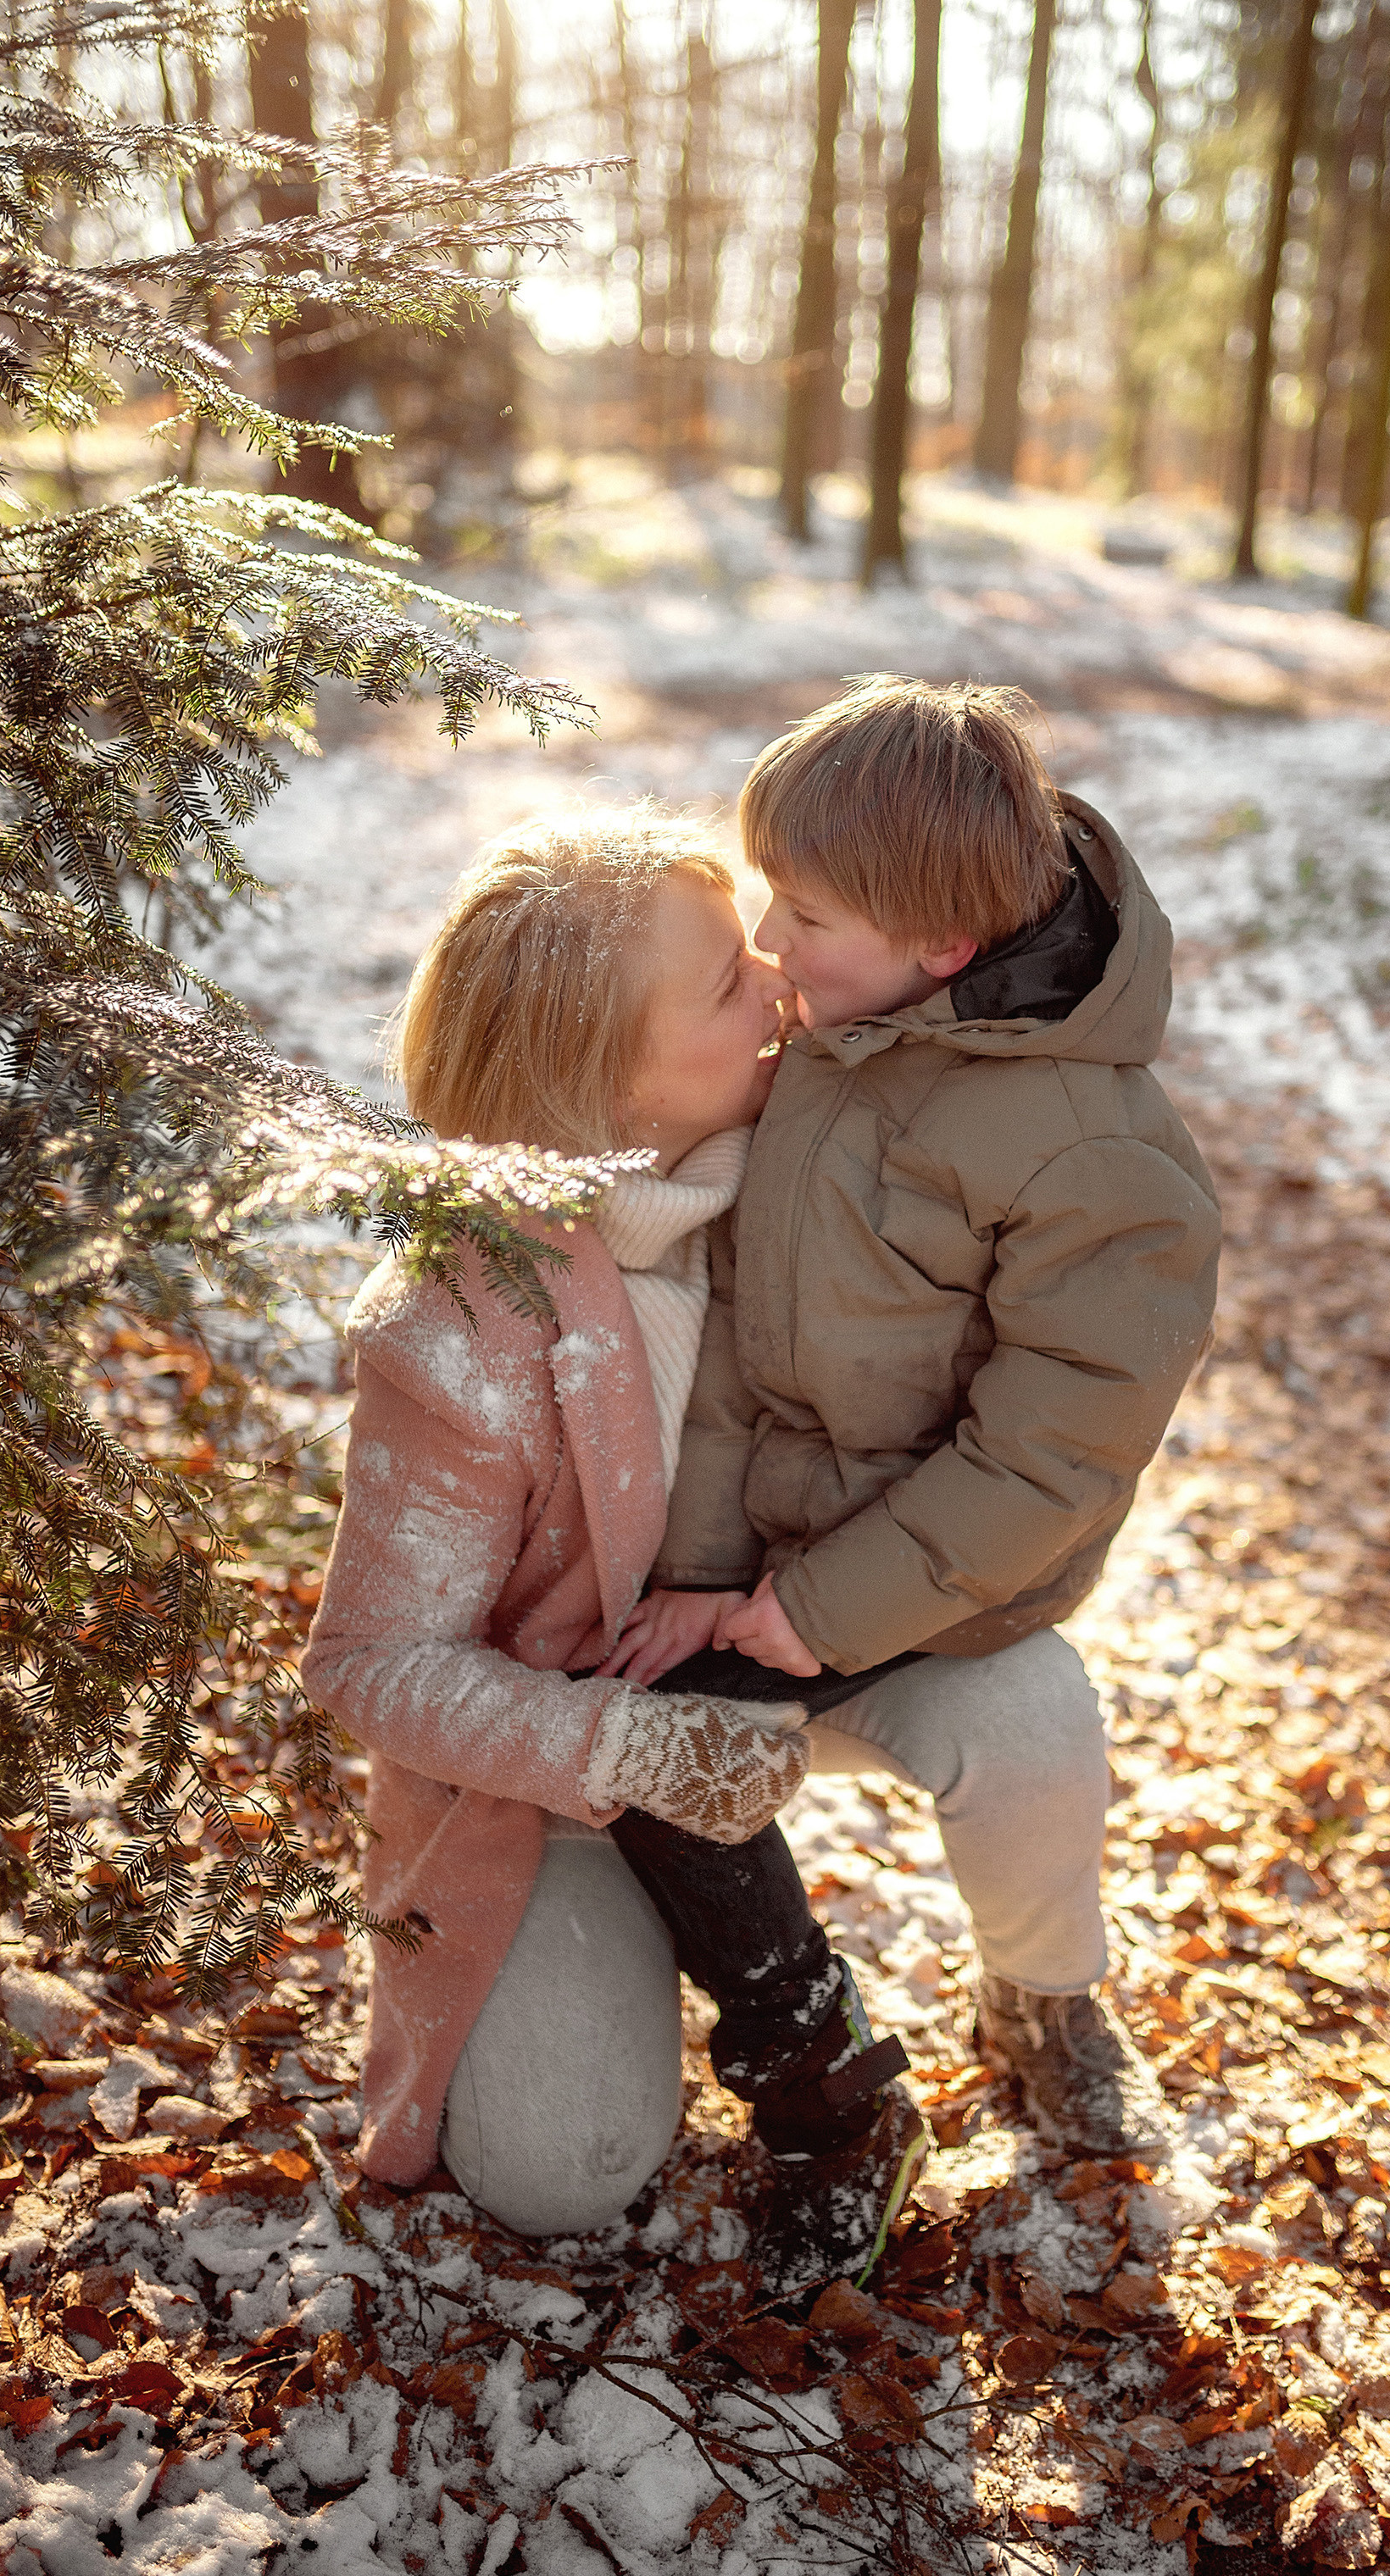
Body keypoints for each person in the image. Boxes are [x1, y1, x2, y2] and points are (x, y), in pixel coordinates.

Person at [603, 676, 1221, 2200]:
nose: (769, 947)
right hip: (779, 1549)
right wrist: (698, 1570)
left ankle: (1003, 2019)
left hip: (949, 1573)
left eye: (804, 917)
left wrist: (814, 1610)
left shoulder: (1098, 1157)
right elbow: (742, 1346)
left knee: (887, 1747)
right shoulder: (837, 1040)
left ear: (943, 949)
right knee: (642, 1745)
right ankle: (827, 2062)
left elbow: (1053, 1458)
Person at [301, 808, 922, 2270]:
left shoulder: (813, 1152)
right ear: (602, 1090)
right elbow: (372, 1664)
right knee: (558, 2166)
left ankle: (1012, 2023)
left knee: (1030, 1714)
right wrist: (620, 1754)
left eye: (756, 944)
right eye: (723, 984)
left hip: (806, 1632)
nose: (778, 975)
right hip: (580, 1741)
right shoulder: (460, 1322)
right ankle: (638, 1927)